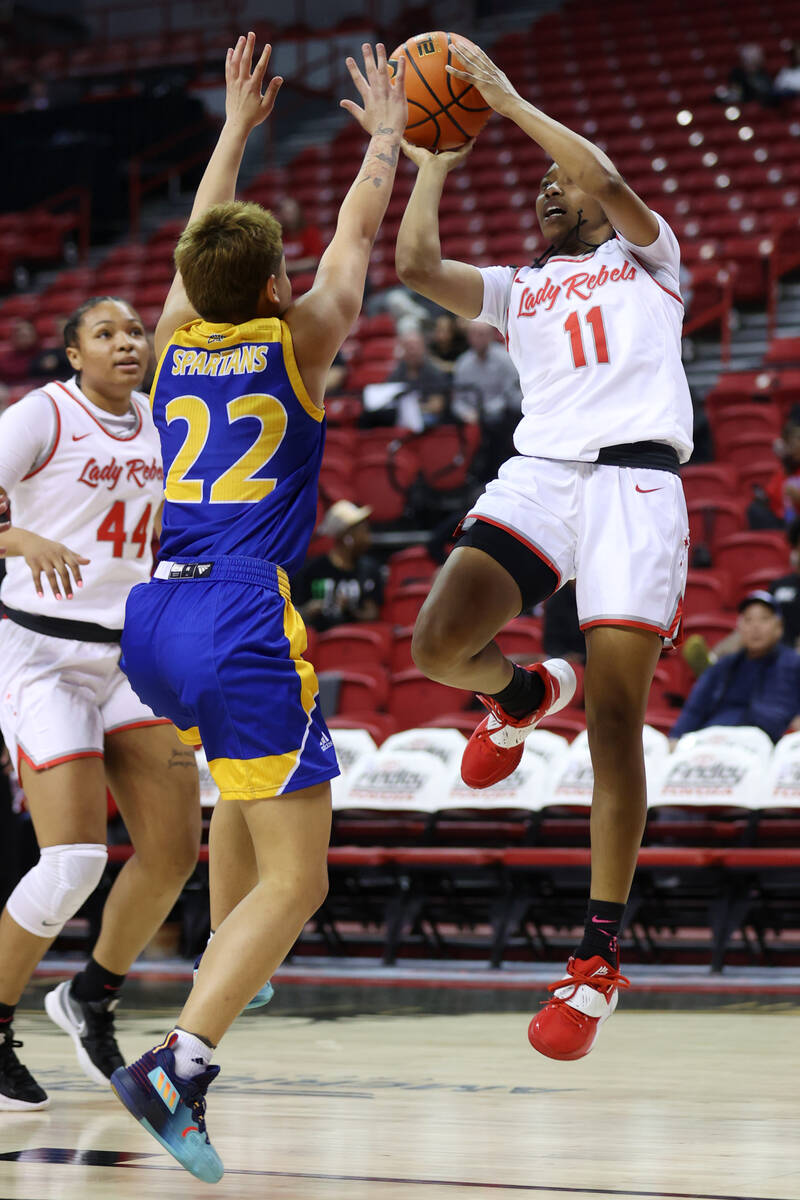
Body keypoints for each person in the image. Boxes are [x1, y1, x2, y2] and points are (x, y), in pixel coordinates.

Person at [110, 34, 406, 1182]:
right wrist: (384, 138)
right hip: (237, 617)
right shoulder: (303, 341)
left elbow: (204, 236)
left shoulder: (174, 339)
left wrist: (234, 126)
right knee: (302, 876)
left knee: (249, 795)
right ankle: (178, 1062)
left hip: (157, 619)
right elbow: (357, 235)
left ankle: (236, 956)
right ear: (277, 286)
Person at [395, 38, 692, 1062]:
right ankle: (518, 697)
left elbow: (602, 174)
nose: (547, 192)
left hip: (636, 483)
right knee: (436, 646)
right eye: (534, 189)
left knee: (614, 722)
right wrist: (431, 151)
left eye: (558, 181)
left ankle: (595, 958)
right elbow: (415, 268)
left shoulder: (649, 258)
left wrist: (504, 98)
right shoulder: (522, 289)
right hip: (541, 475)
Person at [0, 296, 201, 1111]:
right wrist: (15, 538)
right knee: (74, 861)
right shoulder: (43, 413)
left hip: (131, 652)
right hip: (40, 650)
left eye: (134, 331)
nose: (127, 342)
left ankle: (91, 994)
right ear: (73, 352)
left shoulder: (162, 422)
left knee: (174, 851)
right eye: (106, 333)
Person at [670, 592, 800, 743]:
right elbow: (694, 709)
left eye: (764, 619)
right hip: (713, 737)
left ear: (779, 627)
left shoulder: (794, 664)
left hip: (764, 742)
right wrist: (676, 737)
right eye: (748, 620)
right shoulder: (723, 666)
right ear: (739, 628)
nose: (755, 627)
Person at [292, 500, 384, 632]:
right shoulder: (312, 570)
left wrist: (351, 609)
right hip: (320, 642)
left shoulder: (370, 569)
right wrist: (310, 610)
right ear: (347, 536)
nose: (367, 538)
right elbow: (296, 612)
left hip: (358, 641)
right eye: (363, 531)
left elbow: (373, 614)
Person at [385, 328, 449, 429]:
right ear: (403, 350)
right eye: (409, 347)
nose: (412, 351)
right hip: (401, 418)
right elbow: (388, 400)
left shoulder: (434, 372)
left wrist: (413, 408)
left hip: (429, 420)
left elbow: (437, 406)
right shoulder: (397, 373)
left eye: (415, 347)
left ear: (423, 348)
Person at [277, 196, 324, 274]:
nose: (289, 217)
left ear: (299, 212)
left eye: (292, 212)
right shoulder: (276, 235)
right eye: (286, 213)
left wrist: (291, 267)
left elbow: (314, 260)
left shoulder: (311, 232)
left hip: (307, 275)